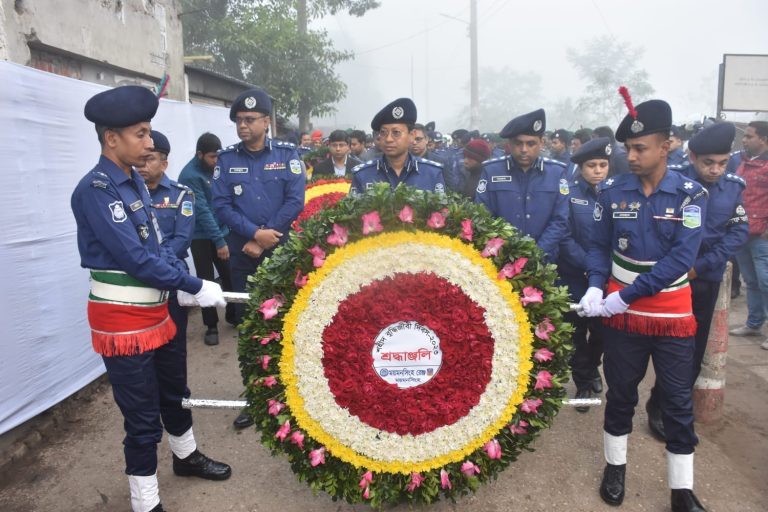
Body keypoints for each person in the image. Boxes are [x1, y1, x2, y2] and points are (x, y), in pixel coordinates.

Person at [71, 86, 231, 512]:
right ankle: (146, 503)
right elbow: (135, 258)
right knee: (142, 419)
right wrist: (196, 284)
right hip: (123, 321)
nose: (149, 144)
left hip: (159, 310)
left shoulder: (134, 184)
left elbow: (158, 248)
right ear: (112, 138)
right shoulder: (97, 190)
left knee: (175, 391)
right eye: (141, 134)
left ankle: (185, 456)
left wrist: (180, 280)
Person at [579, 94, 707, 511]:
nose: (630, 156)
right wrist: (597, 286)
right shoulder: (613, 191)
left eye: (640, 148)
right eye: (627, 149)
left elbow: (681, 260)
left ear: (665, 145)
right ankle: (615, 466)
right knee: (621, 394)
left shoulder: (690, 195)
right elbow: (598, 246)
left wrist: (625, 297)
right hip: (622, 317)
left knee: (676, 400)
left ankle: (681, 489)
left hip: (670, 316)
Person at [645, 122, 748, 439]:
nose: (716, 170)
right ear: (692, 156)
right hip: (672, 280)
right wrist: (679, 267)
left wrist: (701, 266)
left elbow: (737, 233)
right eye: (708, 163)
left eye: (722, 162)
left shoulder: (732, 187)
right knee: (669, 346)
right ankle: (660, 403)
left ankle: (670, 407)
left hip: (706, 278)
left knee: (693, 348)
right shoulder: (671, 183)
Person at [212, 88, 305, 429]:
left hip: (280, 254)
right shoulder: (227, 160)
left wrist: (266, 239)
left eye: (250, 120)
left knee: (287, 322)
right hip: (244, 256)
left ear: (267, 122)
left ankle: (290, 393)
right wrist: (253, 235)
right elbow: (220, 204)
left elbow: (295, 201)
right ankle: (255, 393)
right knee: (251, 326)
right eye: (239, 120)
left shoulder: (287, 154)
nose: (243, 126)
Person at [558, 138, 611, 412]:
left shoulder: (614, 193)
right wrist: (588, 265)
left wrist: (601, 270)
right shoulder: (568, 194)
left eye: (603, 165)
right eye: (592, 165)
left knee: (602, 331)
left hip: (604, 278)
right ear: (580, 167)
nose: (598, 170)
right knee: (576, 333)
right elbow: (564, 236)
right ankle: (583, 383)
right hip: (575, 274)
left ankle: (592, 367)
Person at [474, 108, 569, 262]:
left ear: (541, 143)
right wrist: (508, 251)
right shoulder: (491, 171)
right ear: (509, 144)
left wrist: (536, 253)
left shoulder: (556, 173)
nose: (524, 150)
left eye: (531, 143)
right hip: (501, 259)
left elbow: (560, 220)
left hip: (543, 261)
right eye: (518, 143)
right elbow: (482, 214)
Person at [178, 132, 236, 346]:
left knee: (229, 274)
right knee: (206, 281)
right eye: (212, 157)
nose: (216, 161)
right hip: (201, 236)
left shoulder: (217, 167)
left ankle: (233, 314)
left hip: (222, 230)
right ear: (199, 154)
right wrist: (219, 242)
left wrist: (225, 233)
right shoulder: (189, 176)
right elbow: (202, 211)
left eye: (218, 156)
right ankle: (211, 325)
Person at [349, 98, 446, 195]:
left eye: (396, 132)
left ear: (412, 135)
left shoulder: (432, 173)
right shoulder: (363, 174)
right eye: (383, 132)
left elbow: (441, 209)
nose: (388, 139)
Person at [729, 121, 768, 348]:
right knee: (751, 282)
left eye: (750, 136)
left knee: (766, 282)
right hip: (743, 232)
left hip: (762, 236)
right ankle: (754, 323)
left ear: (763, 139)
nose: (744, 140)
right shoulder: (742, 162)